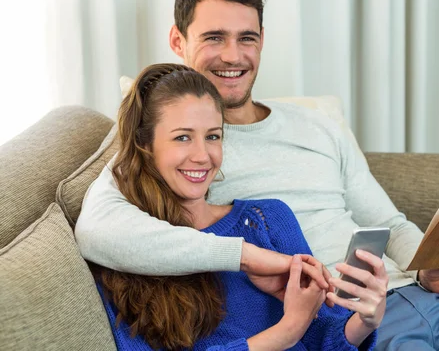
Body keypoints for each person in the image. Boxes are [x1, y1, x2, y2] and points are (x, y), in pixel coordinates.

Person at [76, 0, 439, 349]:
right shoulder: (166, 146)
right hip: (351, 324)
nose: (233, 56)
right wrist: (260, 260)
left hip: (425, 298)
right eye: (214, 37)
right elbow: (100, 231)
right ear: (178, 41)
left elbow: (386, 220)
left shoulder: (317, 124)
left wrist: (431, 266)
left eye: (247, 38)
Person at [94, 62, 386, 350]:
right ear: (145, 145)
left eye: (213, 136)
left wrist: (364, 321)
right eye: (182, 137)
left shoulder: (267, 219)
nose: (202, 156)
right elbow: (295, 329)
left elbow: (327, 339)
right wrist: (286, 331)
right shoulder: (124, 256)